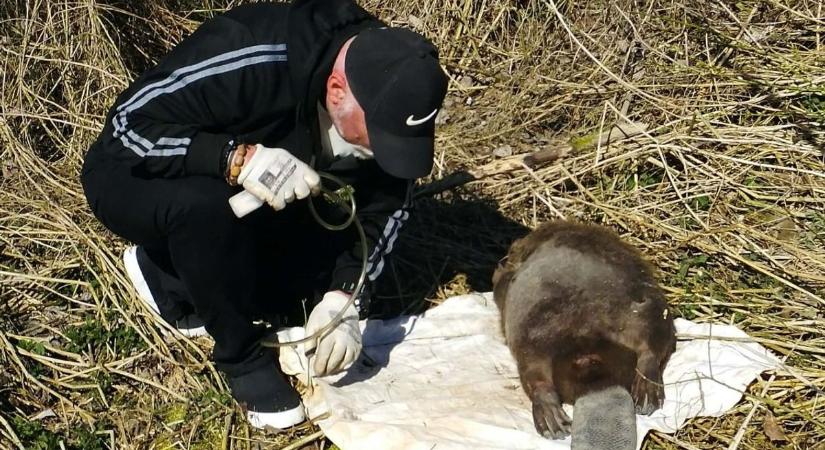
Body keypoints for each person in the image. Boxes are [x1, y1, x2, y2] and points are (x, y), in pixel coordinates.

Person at [80, 0, 448, 430]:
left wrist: (344, 299)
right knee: (204, 207)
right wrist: (235, 159)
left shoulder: (390, 79)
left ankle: (170, 273)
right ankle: (239, 355)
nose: (384, 152)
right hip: (137, 174)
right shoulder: (253, 53)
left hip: (259, 190)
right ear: (336, 91)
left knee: (300, 286)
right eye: (378, 139)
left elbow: (387, 207)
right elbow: (127, 127)